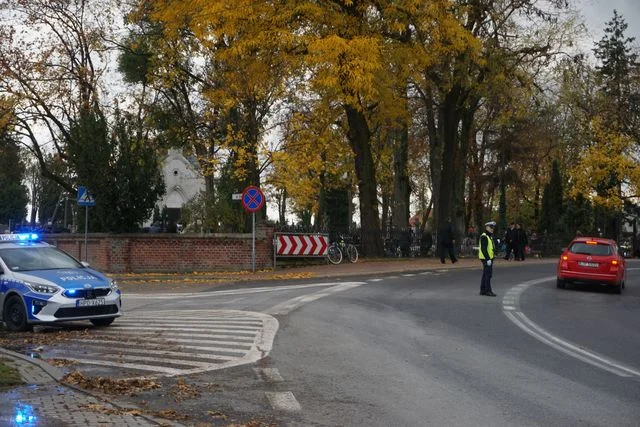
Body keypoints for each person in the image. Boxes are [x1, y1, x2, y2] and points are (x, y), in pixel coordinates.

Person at [479, 220, 497, 296]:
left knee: (485, 274)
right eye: (491, 227)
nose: (492, 229)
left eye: (493, 227)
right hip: (486, 258)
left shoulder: (489, 236)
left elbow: (491, 246)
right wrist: (488, 259)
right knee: (488, 275)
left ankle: (483, 290)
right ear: (487, 227)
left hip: (489, 258)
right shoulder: (484, 236)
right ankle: (488, 291)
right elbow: (483, 249)